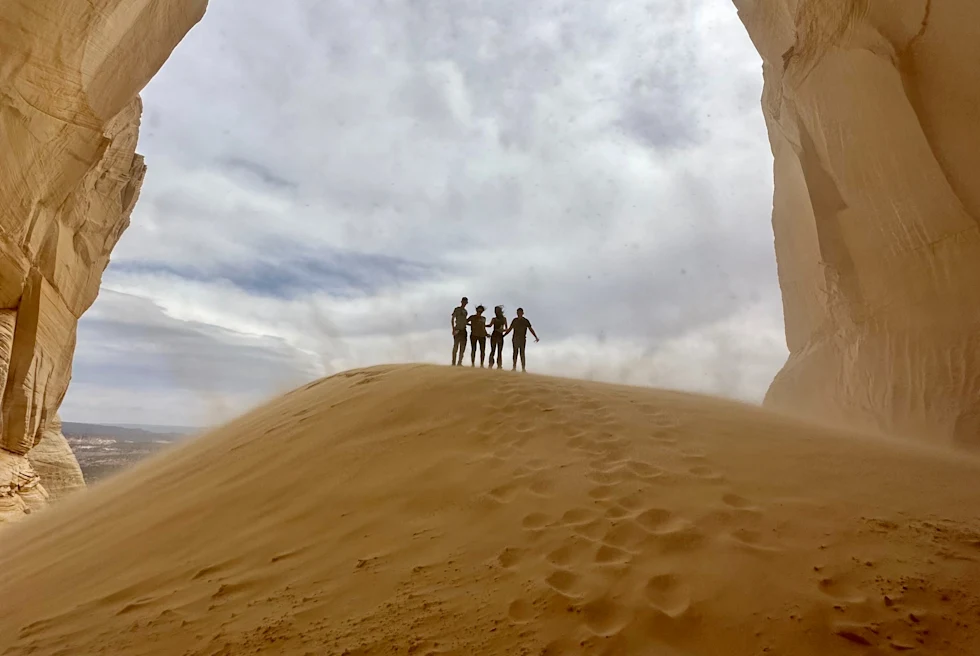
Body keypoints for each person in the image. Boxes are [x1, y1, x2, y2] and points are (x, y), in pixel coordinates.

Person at [503, 307, 539, 372]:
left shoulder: (525, 321)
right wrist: (504, 335)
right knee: (515, 353)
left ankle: (523, 368)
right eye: (518, 312)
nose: (519, 314)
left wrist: (535, 337)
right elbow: (510, 329)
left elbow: (530, 329)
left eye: (520, 312)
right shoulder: (515, 320)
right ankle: (514, 367)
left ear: (522, 313)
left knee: (522, 353)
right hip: (515, 338)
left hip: (522, 338)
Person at [488, 305, 508, 370]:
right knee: (493, 350)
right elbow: (490, 325)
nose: (496, 312)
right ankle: (491, 364)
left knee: (499, 351)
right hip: (495, 335)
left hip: (500, 335)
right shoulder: (494, 319)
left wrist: (502, 330)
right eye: (495, 311)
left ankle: (499, 365)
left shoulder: (504, 319)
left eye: (497, 311)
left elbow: (507, 328)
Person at [451, 297, 469, 366]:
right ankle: (453, 362)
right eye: (464, 302)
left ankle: (459, 362)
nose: (464, 303)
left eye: (466, 302)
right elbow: (453, 319)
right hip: (457, 329)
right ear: (461, 302)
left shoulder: (465, 311)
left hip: (463, 330)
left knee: (462, 347)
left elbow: (465, 321)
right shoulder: (457, 309)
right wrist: (453, 329)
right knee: (456, 346)